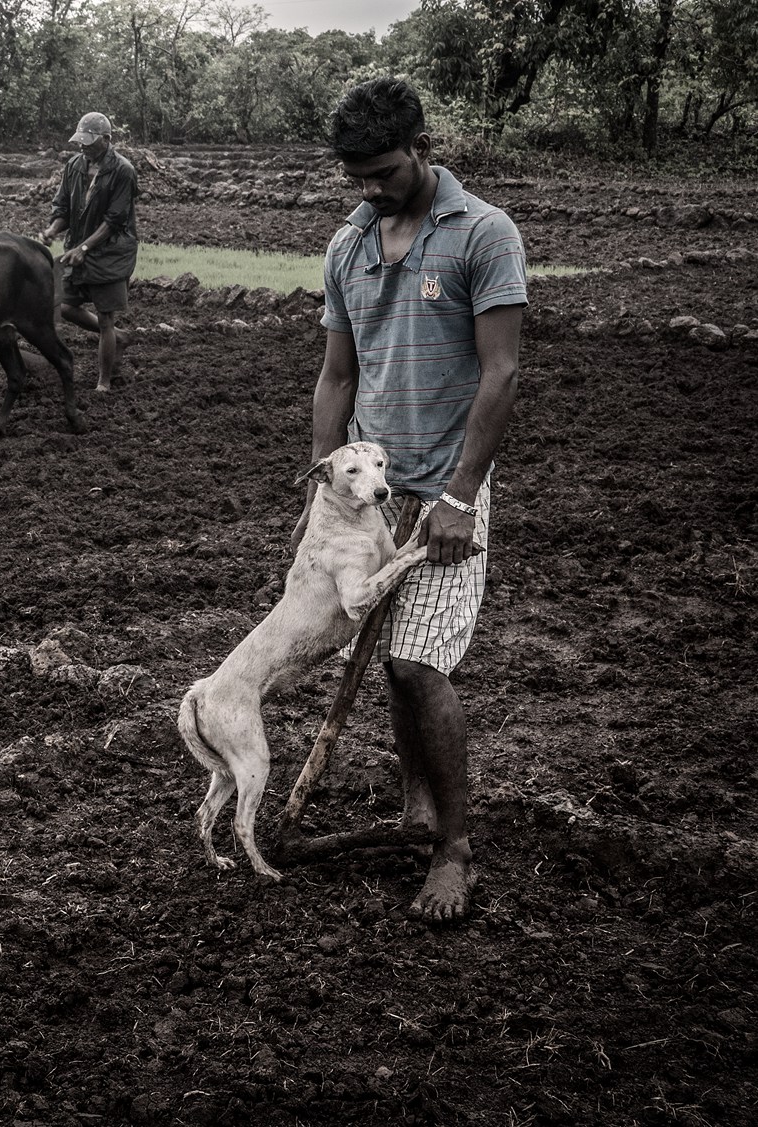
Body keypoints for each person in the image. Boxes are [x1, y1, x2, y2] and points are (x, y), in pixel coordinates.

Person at [293, 76, 527, 923]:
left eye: (386, 171)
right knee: (389, 654)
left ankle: (455, 848)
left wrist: (462, 494)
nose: (371, 189)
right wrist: (326, 487)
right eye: (357, 176)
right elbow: (336, 373)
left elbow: (500, 373)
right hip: (365, 493)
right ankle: (418, 805)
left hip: (445, 488)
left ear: (423, 148)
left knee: (415, 660)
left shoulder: (484, 234)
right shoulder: (346, 247)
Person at [39, 111, 138, 392]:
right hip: (78, 249)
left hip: (111, 252)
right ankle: (118, 338)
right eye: (80, 140)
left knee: (106, 317)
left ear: (107, 140)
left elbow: (114, 220)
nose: (82, 146)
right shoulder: (74, 166)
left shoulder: (123, 170)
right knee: (64, 305)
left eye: (89, 141)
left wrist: (85, 247)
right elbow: (64, 210)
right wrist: (52, 230)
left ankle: (104, 383)